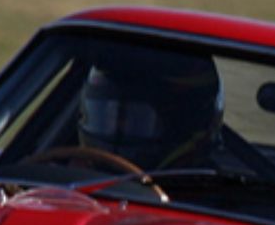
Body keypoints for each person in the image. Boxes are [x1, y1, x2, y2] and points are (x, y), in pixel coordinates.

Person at [76, 47, 224, 171]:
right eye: (106, 116)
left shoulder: (215, 200)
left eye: (135, 119)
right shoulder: (70, 176)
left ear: (184, 125)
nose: (118, 125)